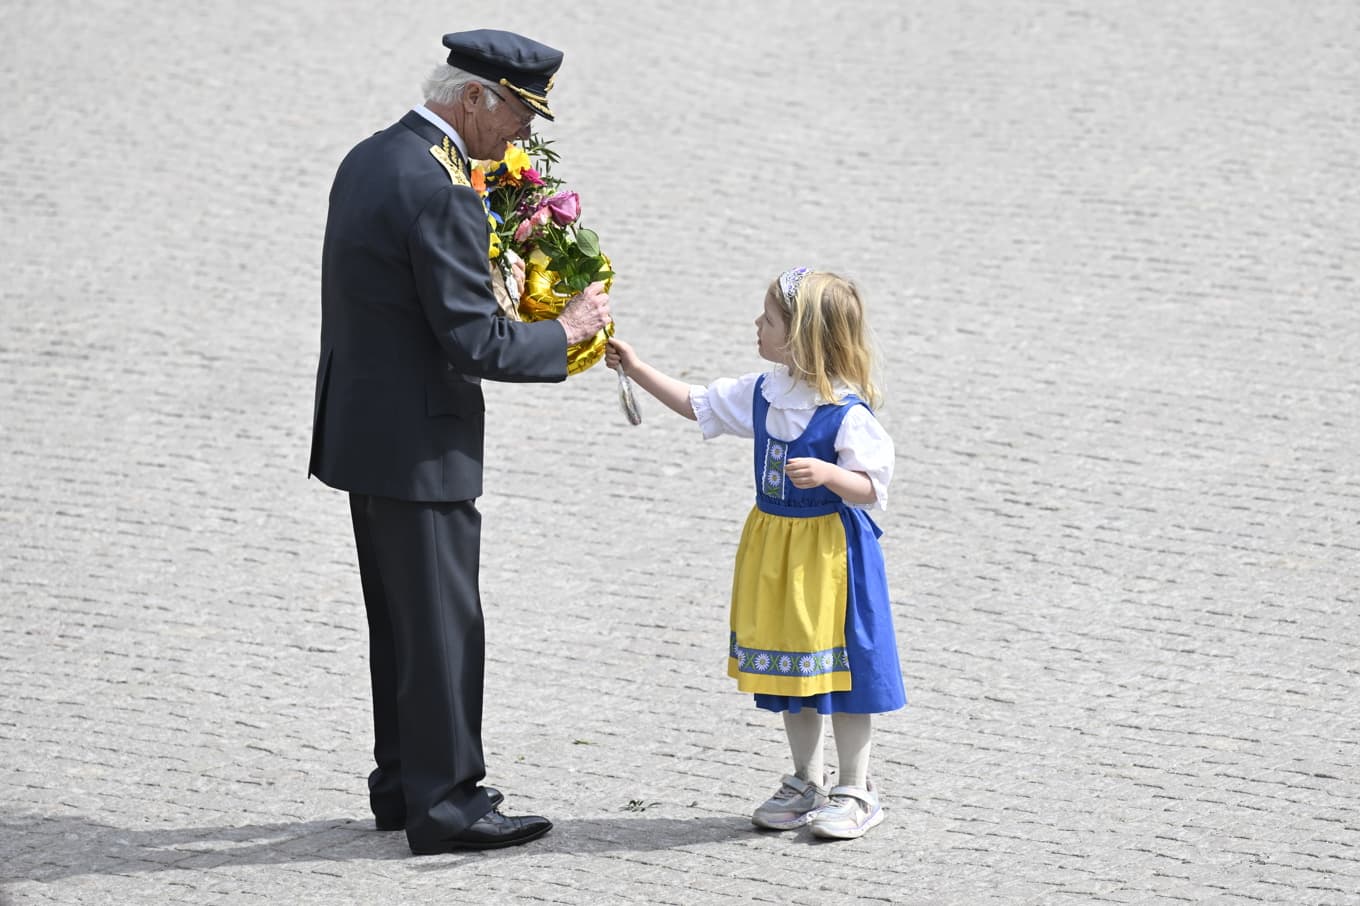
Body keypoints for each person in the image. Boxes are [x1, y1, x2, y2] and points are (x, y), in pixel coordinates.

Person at [308, 28, 612, 854]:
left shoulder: (371, 156)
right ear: (474, 96)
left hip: (364, 435)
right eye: (518, 111)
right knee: (442, 626)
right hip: (421, 444)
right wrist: (568, 332)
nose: (523, 133)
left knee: (400, 623)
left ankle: (404, 784)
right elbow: (476, 343)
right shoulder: (443, 190)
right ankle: (446, 805)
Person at [605, 268, 906, 840]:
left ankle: (856, 788)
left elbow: (873, 489)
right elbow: (699, 404)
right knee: (795, 669)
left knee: (844, 672)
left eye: (768, 320)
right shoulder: (767, 393)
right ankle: (804, 780)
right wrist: (638, 369)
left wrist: (832, 475)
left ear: (802, 338)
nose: (757, 326)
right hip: (776, 550)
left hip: (831, 558)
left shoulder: (847, 412)